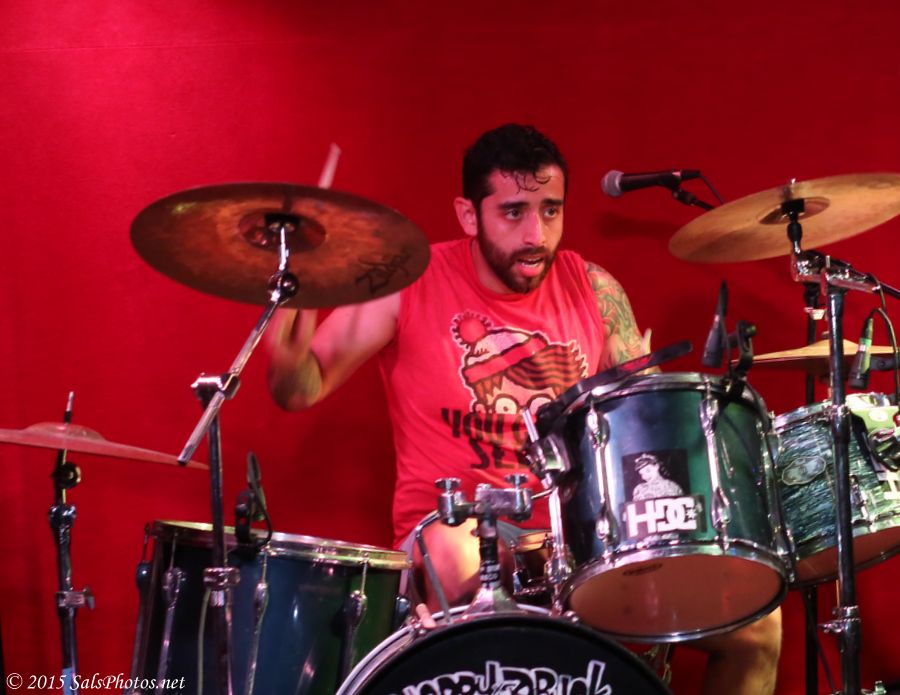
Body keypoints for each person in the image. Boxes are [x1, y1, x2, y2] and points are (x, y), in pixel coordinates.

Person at [266, 124, 781, 695]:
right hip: (455, 526)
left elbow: (645, 425)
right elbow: (300, 389)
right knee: (461, 562)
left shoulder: (595, 289)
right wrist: (288, 333)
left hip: (576, 543)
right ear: (469, 215)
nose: (536, 234)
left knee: (757, 628)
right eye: (513, 212)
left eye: (550, 210)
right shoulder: (408, 281)